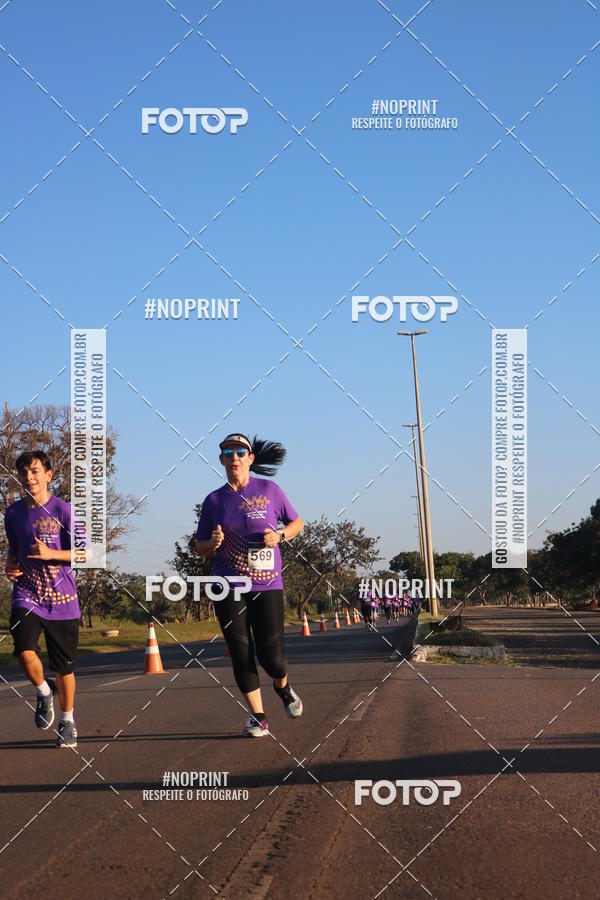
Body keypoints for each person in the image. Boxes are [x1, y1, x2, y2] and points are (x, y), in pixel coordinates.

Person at [195, 433, 304, 738]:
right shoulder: (214, 501)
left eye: (240, 451)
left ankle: (283, 688)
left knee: (273, 658)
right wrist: (211, 543)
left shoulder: (270, 490)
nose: (234, 457)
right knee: (241, 651)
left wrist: (279, 536)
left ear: (250, 458)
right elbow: (199, 545)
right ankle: (258, 716)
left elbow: (297, 523)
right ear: (221, 460)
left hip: (267, 583)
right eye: (228, 452)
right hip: (227, 584)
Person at [4, 450, 81, 748]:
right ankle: (43, 691)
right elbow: (14, 550)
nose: (29, 477)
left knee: (65, 668)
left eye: (35, 471)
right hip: (27, 595)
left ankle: (67, 720)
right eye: (24, 472)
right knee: (24, 651)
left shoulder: (64, 511)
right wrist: (10, 566)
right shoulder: (12, 513)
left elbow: (88, 553)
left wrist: (52, 554)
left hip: (63, 599)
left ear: (49, 475)